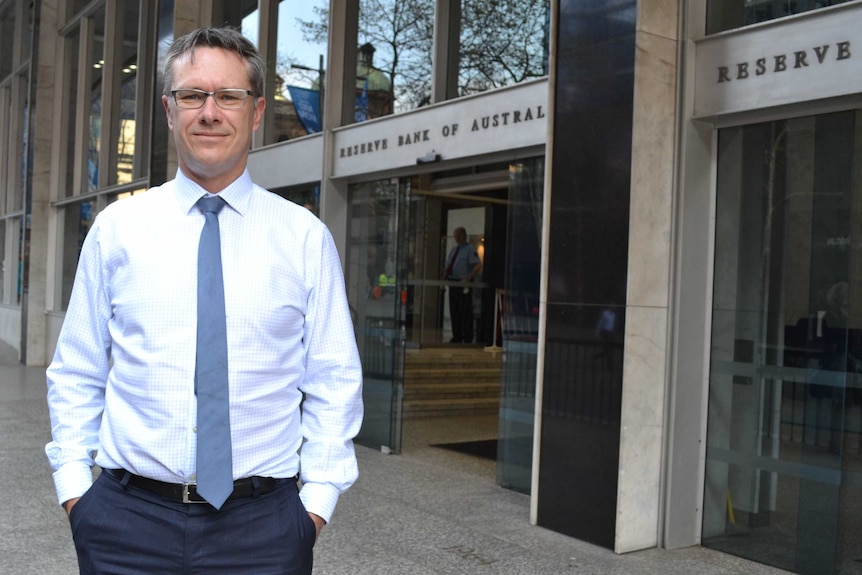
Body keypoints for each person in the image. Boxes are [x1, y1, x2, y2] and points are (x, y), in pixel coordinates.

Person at [45, 27, 363, 574]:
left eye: (228, 96)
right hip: (125, 524)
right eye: (192, 95)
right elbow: (77, 369)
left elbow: (334, 380)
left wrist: (314, 507)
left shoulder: (304, 238)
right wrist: (78, 493)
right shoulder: (117, 230)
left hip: (264, 530)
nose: (209, 112)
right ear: (169, 110)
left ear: (256, 111)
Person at [443, 227, 482, 343]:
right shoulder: (454, 250)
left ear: (464, 236)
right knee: (454, 309)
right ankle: (457, 335)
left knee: (464, 310)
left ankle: (467, 335)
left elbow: (478, 265)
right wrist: (443, 281)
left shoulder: (469, 249)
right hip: (453, 282)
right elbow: (447, 266)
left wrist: (468, 278)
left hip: (464, 282)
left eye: (458, 236)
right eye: (455, 236)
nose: (457, 238)